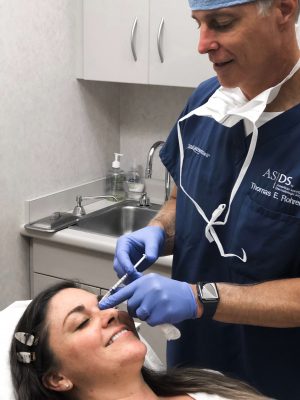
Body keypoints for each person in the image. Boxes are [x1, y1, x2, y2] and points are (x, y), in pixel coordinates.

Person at [99, 0, 300, 398]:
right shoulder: (207, 101)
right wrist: (156, 231)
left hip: (274, 382)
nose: (203, 44)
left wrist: (200, 298)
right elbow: (181, 200)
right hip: (192, 373)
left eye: (222, 23)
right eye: (198, 25)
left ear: (283, 9)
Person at [9, 281, 271, 400]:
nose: (112, 313)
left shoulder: (209, 385)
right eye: (82, 322)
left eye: (103, 306)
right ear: (58, 379)